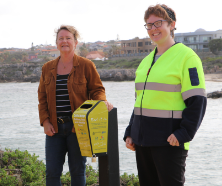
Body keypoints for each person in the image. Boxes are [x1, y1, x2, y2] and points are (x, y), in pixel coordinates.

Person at [123, 4, 207, 186]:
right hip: (143, 141)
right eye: (149, 25)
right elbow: (140, 102)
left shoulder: (187, 57)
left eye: (158, 23)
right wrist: (131, 132)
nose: (153, 29)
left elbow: (197, 101)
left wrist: (184, 133)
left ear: (172, 25)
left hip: (170, 142)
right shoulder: (145, 61)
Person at [38, 25, 113, 186]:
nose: (64, 41)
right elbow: (42, 97)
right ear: (56, 43)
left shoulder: (86, 65)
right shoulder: (47, 68)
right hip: (54, 128)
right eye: (61, 38)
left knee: (78, 171)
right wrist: (45, 121)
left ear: (75, 42)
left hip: (78, 128)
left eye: (68, 38)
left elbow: (97, 89)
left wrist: (102, 101)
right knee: (51, 172)